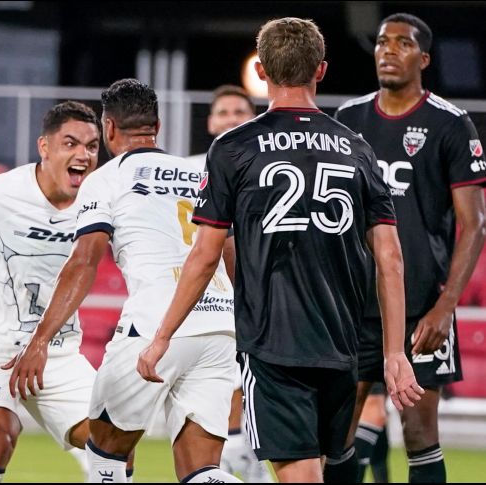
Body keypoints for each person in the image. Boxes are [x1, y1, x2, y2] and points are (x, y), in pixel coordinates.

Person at [154, 17, 425, 483]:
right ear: (320, 70)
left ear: (261, 71)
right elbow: (390, 257)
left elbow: (204, 256)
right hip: (342, 344)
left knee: (300, 474)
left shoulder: (234, 147)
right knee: (318, 468)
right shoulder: (358, 149)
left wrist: (161, 336)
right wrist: (394, 352)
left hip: (275, 344)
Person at [5, 78, 240, 484]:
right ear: (158, 127)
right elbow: (230, 254)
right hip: (220, 324)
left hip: (155, 327)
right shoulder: (199, 171)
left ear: (109, 128)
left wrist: (40, 339)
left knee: (105, 452)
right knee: (201, 471)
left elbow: (84, 260)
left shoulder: (108, 177)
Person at [329, 12, 486, 483]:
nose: (388, 51)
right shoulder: (349, 119)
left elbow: (473, 223)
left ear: (424, 57)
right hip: (355, 305)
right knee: (336, 437)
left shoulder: (451, 124)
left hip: (422, 308)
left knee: (419, 434)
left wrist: (445, 307)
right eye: (381, 42)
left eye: (401, 43)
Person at [0, 101, 104, 483]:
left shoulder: (101, 200)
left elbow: (91, 266)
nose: (83, 155)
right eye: (70, 144)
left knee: (109, 445)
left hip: (56, 349)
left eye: (92, 147)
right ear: (44, 147)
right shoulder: (0, 192)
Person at [190, 84, 272, 483]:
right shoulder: (188, 170)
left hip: (259, 300)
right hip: (205, 302)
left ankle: (246, 456)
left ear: (254, 118)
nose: (231, 119)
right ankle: (233, 458)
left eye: (240, 111)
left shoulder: (272, 171)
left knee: (251, 386)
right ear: (209, 121)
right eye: (223, 112)